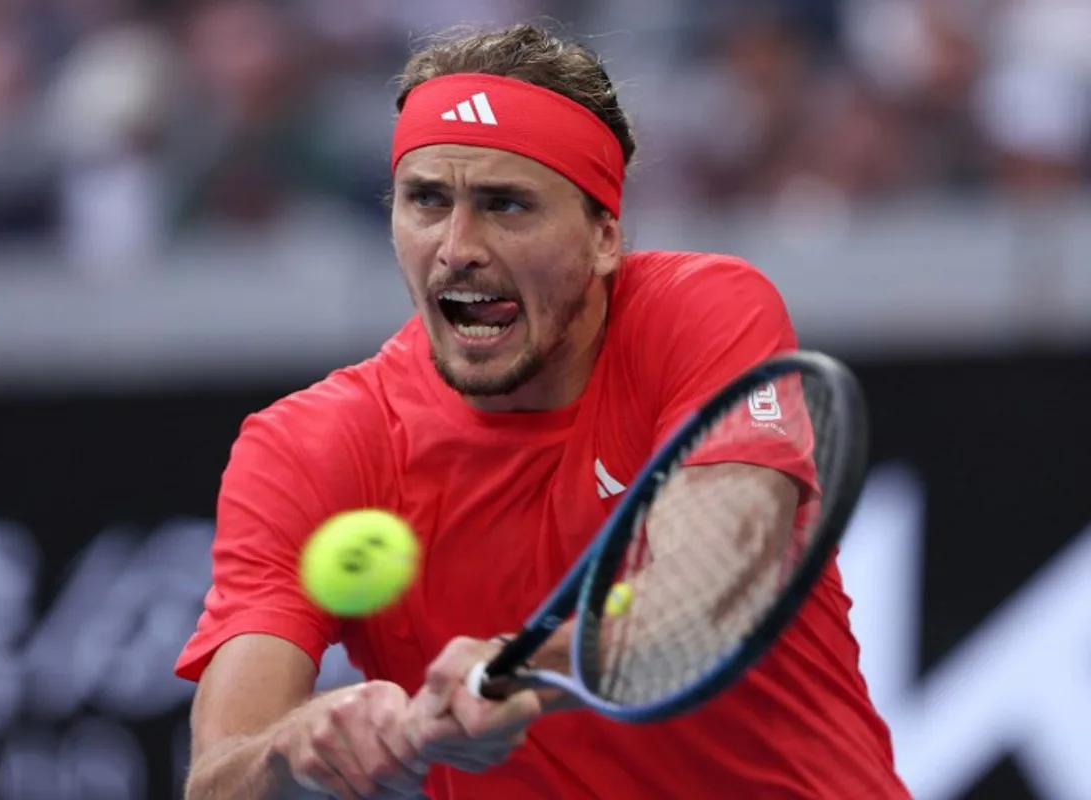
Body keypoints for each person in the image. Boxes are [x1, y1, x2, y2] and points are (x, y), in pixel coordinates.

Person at [175, 22, 910, 800]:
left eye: (507, 205)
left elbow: (704, 599)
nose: (457, 246)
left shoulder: (702, 312)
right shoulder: (306, 446)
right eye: (427, 200)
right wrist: (300, 746)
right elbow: (219, 779)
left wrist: (515, 667)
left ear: (603, 237)